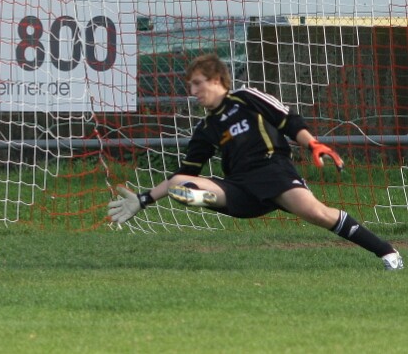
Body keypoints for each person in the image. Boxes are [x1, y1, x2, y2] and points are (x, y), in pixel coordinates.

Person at [108, 53, 403, 271]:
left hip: (273, 171)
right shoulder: (206, 128)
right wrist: (143, 199)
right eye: (191, 86)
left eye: (197, 84)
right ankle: (200, 197)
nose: (193, 91)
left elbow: (287, 120)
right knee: (180, 184)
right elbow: (187, 171)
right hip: (238, 189)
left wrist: (312, 144)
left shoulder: (245, 98)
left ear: (216, 80)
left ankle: (388, 253)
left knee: (319, 214)